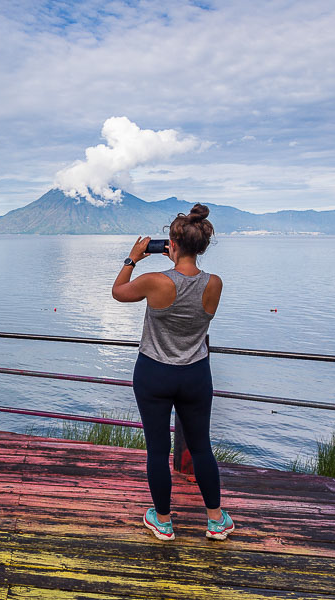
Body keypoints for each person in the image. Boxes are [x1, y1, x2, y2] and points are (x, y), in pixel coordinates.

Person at [111, 203, 234, 541]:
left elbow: (118, 292)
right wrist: (180, 261)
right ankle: (215, 519)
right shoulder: (215, 284)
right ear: (203, 246)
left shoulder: (155, 282)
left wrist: (132, 259)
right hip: (195, 374)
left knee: (156, 450)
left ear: (172, 246)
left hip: (154, 373)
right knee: (202, 447)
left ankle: (163, 522)